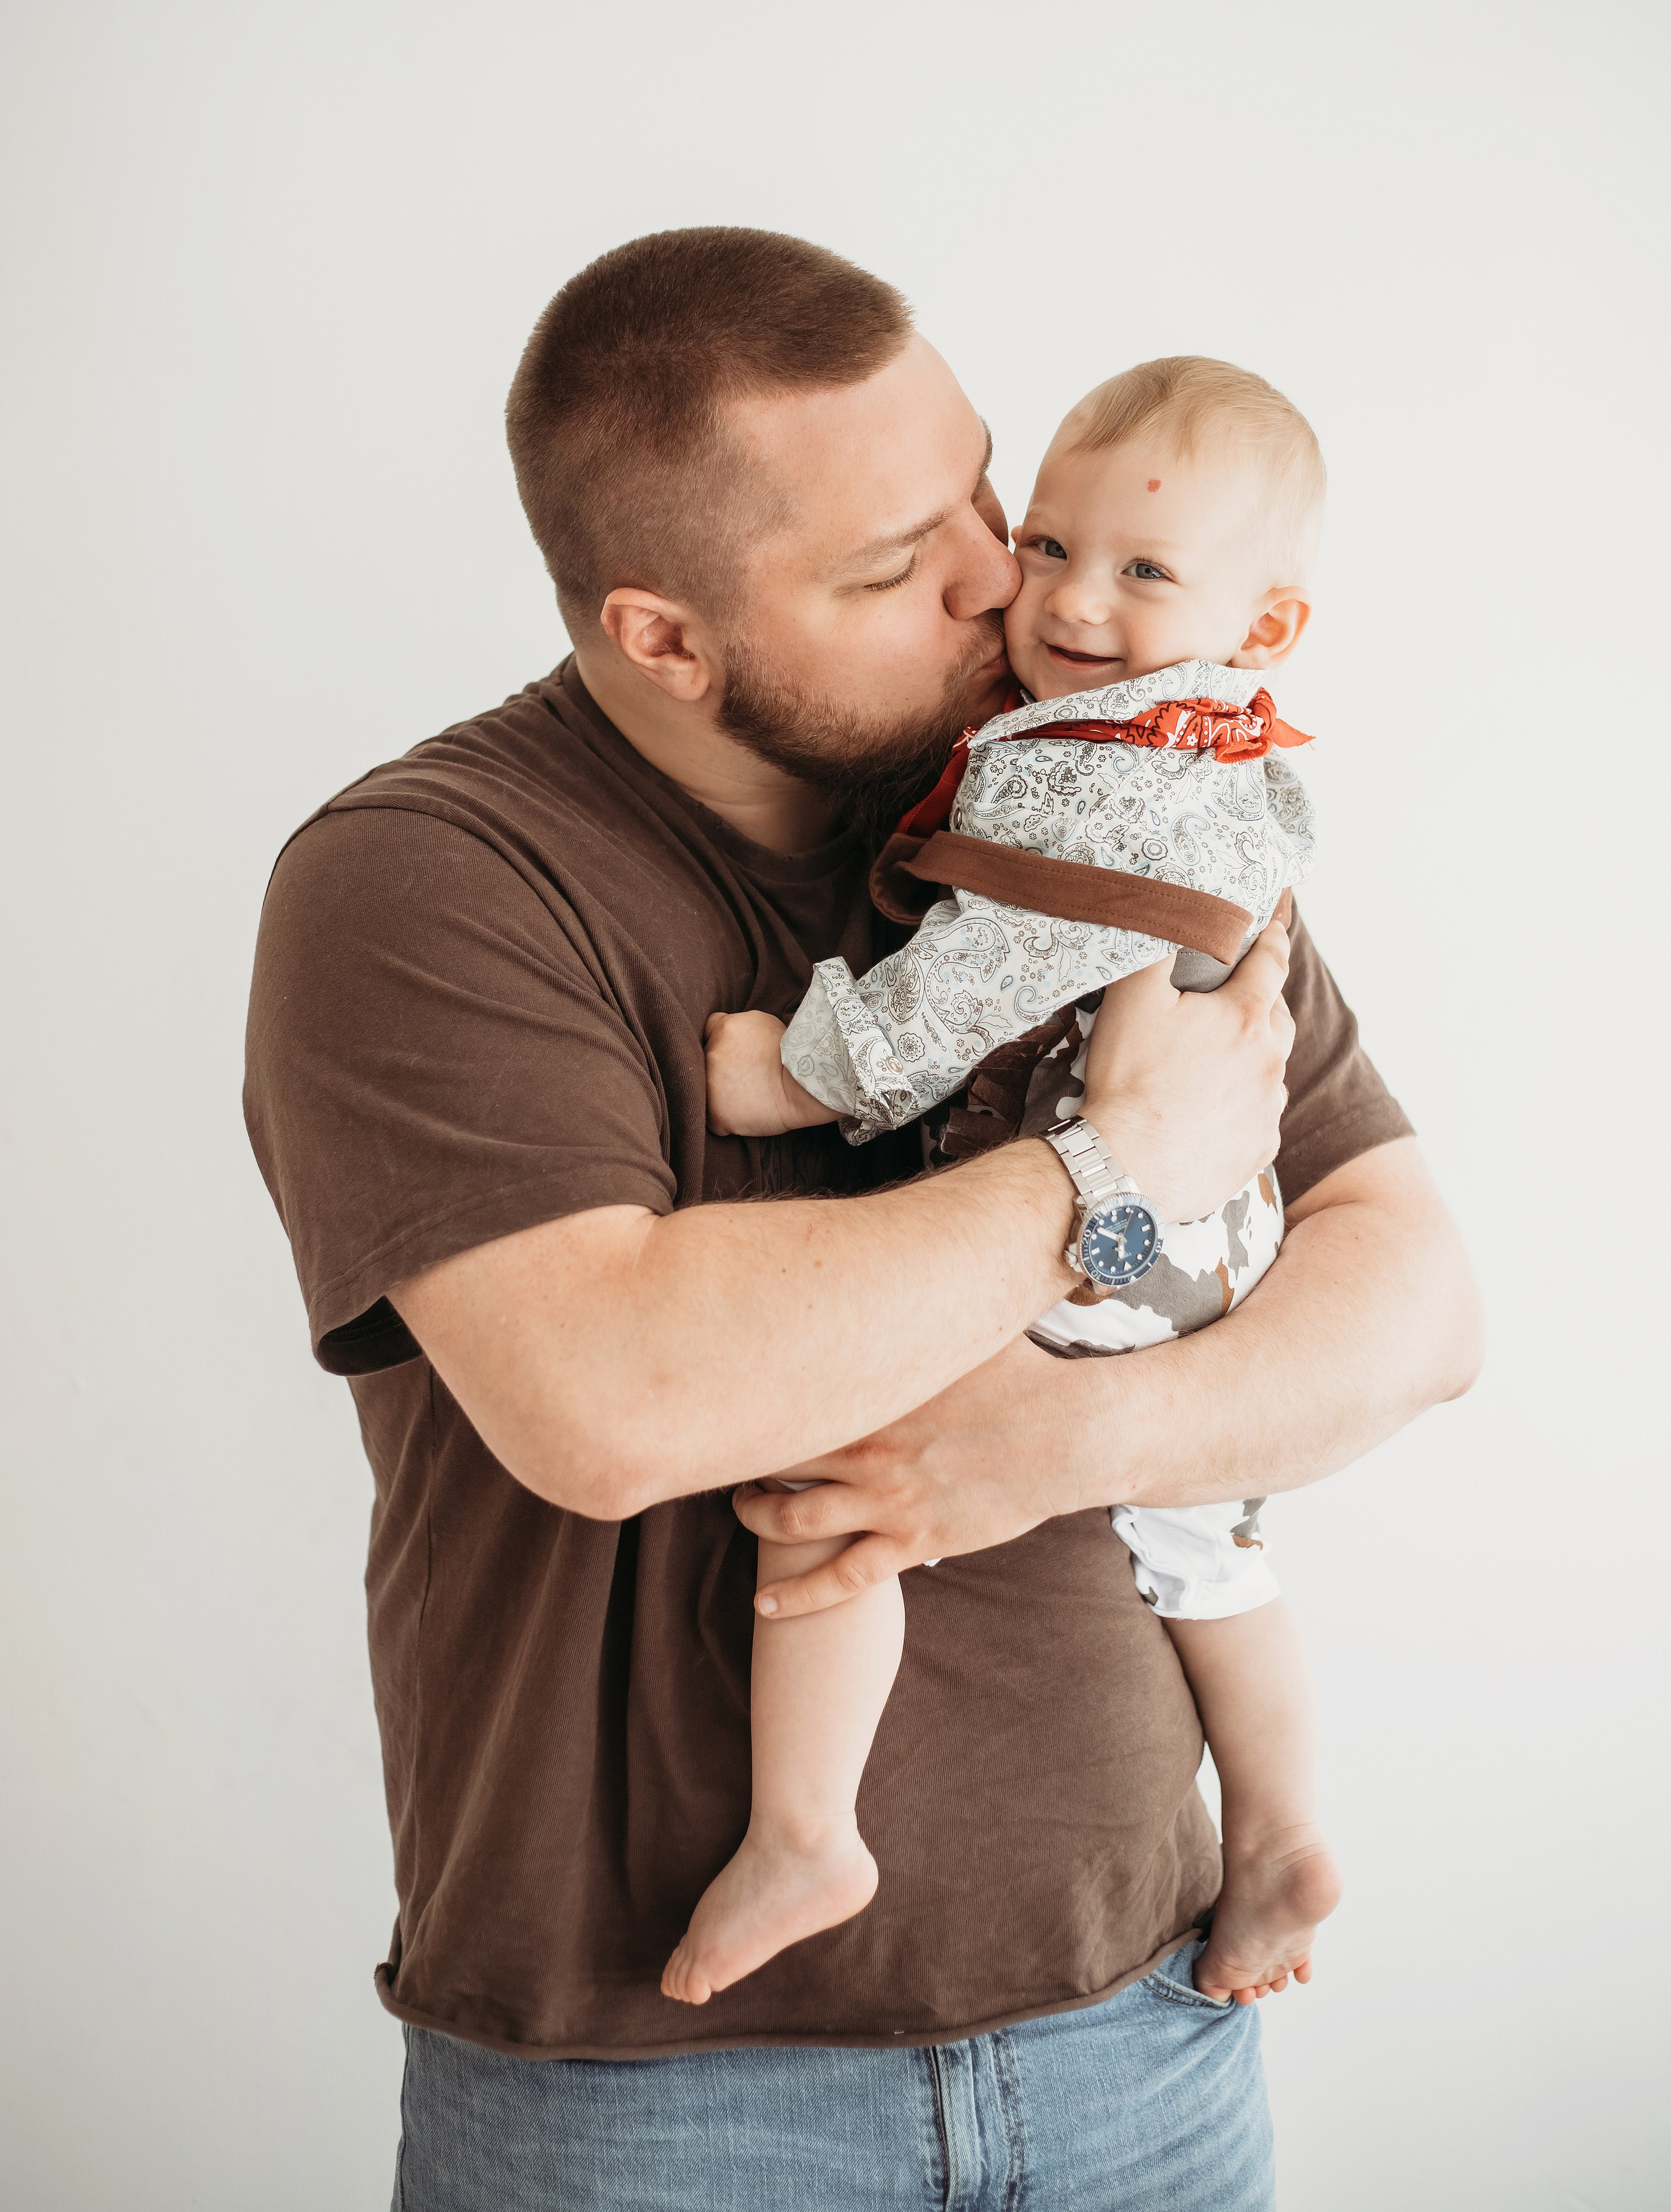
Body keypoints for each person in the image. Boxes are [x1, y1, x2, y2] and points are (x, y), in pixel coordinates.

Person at [243, 228, 1480, 2211]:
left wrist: (1069, 1437)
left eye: (987, 492)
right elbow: (614, 1396)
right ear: (665, 636)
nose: (1009, 580)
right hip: (650, 2095)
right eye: (904, 560)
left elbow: (1412, 1307)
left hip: (1144, 2029)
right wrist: (1105, 1176)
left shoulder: (1100, 797)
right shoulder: (430, 883)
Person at [664, 356, 1342, 2017]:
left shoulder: (1089, 767)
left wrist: (805, 1073)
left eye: (1142, 570)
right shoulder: (1208, 753)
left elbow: (984, 970)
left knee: (838, 1459)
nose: (1067, 600)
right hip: (1213, 1238)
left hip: (1101, 1218)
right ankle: (1277, 1832)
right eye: (1047, 545)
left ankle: (804, 1831)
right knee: (1204, 1541)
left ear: (1263, 626)